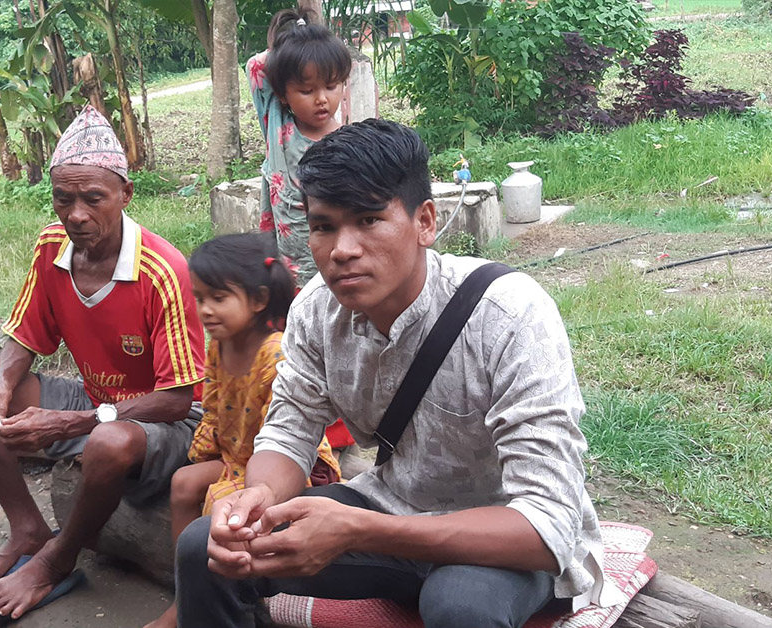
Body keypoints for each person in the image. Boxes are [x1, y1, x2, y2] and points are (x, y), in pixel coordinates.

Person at [173, 119, 623, 628]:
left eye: (367, 219)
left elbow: (547, 525)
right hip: (390, 504)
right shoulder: (316, 312)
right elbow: (290, 428)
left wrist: (358, 531)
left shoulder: (509, 315)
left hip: (501, 534)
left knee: (461, 608)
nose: (341, 249)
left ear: (425, 222)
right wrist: (259, 498)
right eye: (323, 226)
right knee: (202, 546)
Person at [0, 105, 205, 621]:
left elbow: (178, 399)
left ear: (126, 195)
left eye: (93, 198)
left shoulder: (163, 270)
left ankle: (55, 561)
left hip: (167, 425)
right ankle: (27, 530)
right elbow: (24, 334)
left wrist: (74, 421)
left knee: (107, 438)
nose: (76, 214)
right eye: (64, 199)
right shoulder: (52, 246)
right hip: (100, 403)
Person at [144, 233, 340, 628]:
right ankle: (187, 591)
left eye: (219, 298)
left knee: (219, 504)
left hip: (289, 468)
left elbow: (285, 434)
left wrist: (233, 475)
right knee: (183, 481)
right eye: (200, 298)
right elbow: (212, 409)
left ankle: (230, 592)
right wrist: (202, 453)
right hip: (236, 457)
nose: (206, 310)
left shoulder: (275, 353)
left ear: (258, 300)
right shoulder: (219, 344)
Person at [247, 8, 351, 286]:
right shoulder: (276, 121)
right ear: (283, 94)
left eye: (331, 86)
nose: (322, 99)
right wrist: (299, 38)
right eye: (306, 91)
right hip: (286, 261)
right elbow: (257, 66)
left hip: (330, 261)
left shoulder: (347, 141)